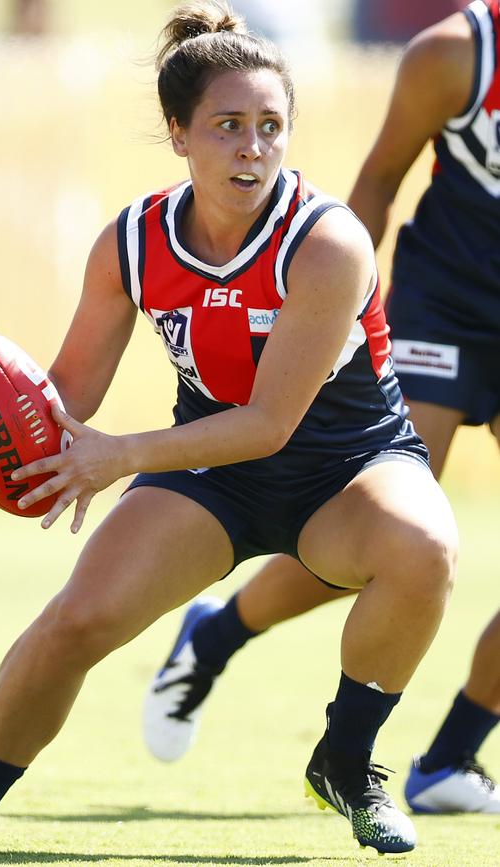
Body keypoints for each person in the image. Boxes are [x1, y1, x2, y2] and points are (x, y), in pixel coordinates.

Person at [0, 0, 457, 856]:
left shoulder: (328, 243)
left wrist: (121, 458)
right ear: (178, 133)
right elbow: (70, 391)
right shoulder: (133, 242)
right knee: (73, 623)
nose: (252, 146)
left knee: (425, 547)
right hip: (211, 476)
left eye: (270, 125)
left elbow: (268, 422)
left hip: (348, 464)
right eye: (227, 125)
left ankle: (349, 759)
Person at [143, 0, 500, 816]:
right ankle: (221, 631)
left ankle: (447, 757)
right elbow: (376, 179)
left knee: (402, 558)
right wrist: (337, 323)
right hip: (441, 309)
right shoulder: (455, 53)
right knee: (393, 535)